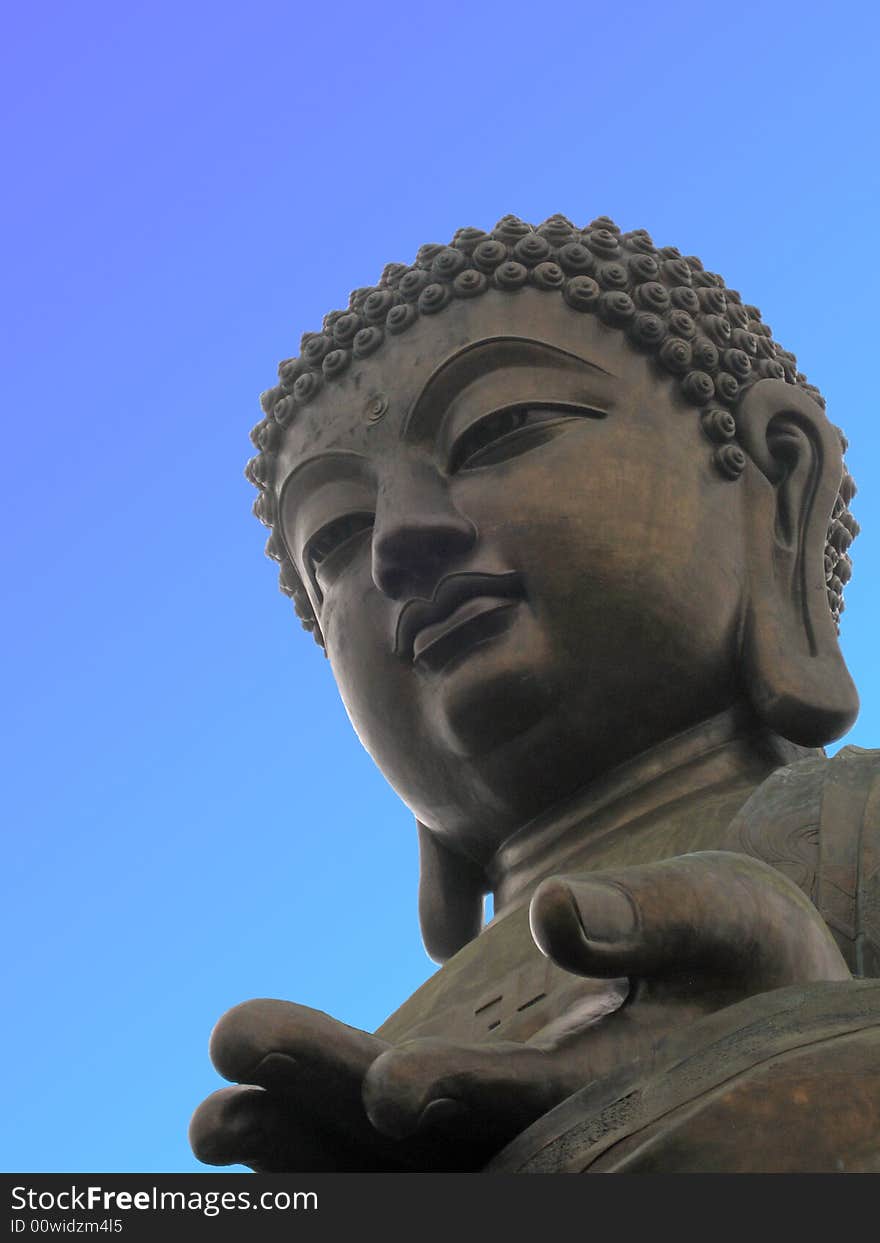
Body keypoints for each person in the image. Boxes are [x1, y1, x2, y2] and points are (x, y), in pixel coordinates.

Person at [190, 214, 880, 1173]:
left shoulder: (857, 826)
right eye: (337, 537)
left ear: (779, 478)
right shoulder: (373, 1081)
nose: (397, 544)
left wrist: (805, 1067)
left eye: (500, 429)